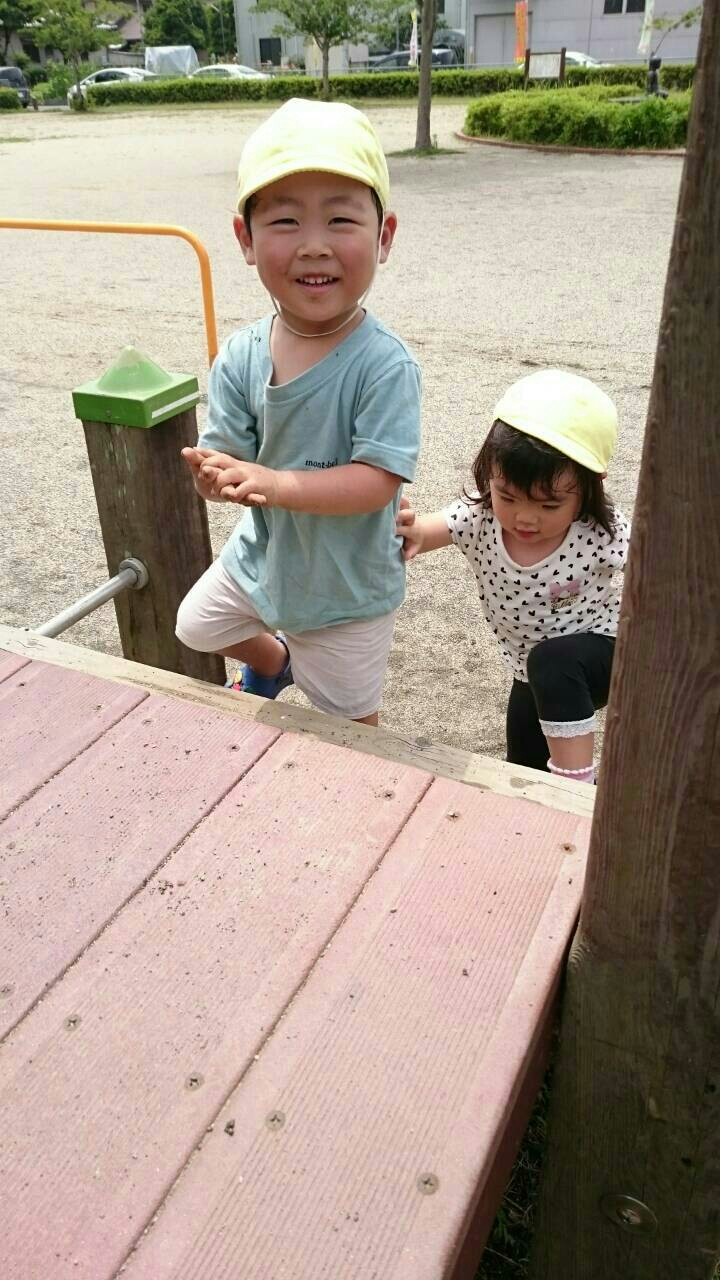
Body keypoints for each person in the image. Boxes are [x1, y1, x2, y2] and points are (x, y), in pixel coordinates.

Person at [176, 98, 421, 726]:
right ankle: (275, 661)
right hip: (265, 559)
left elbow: (376, 483)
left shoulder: (384, 364)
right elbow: (230, 455)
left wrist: (275, 483)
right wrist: (217, 477)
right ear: (246, 239)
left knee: (353, 731)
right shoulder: (241, 355)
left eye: (340, 219)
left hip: (346, 588)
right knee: (196, 624)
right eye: (285, 221)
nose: (314, 246)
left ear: (384, 236)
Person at [396, 370, 630, 782]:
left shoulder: (600, 530)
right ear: (489, 473)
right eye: (508, 496)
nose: (525, 518)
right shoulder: (480, 517)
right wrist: (409, 530)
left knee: (554, 663)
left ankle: (577, 792)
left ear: (590, 486)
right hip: (528, 670)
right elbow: (428, 531)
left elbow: (665, 572)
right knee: (523, 768)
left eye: (549, 505)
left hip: (604, 650)